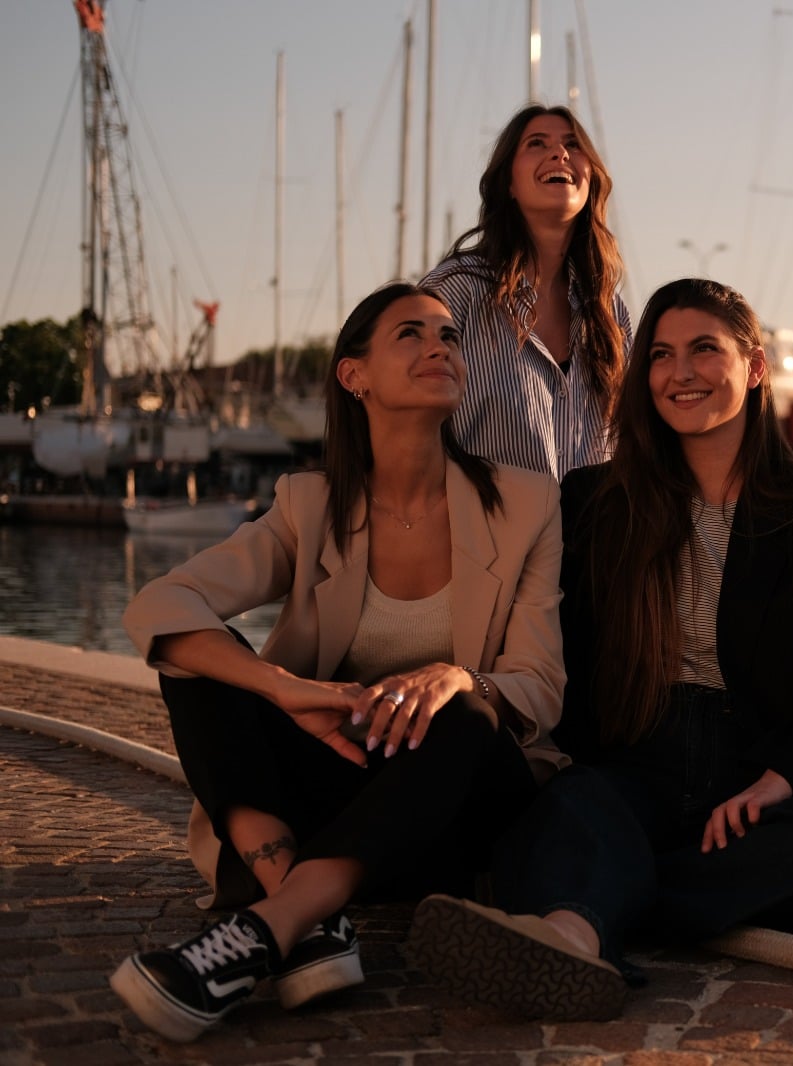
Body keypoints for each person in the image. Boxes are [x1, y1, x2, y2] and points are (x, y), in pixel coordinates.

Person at [406, 278, 793, 1020]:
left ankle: (614, 894)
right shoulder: (593, 499)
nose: (680, 372)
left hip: (753, 768)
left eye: (704, 350)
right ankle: (569, 941)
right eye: (661, 355)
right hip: (631, 756)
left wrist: (781, 779)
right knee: (574, 808)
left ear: (756, 366)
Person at [110, 283, 566, 1041]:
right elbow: (159, 607)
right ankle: (305, 909)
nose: (439, 347)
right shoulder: (307, 504)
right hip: (337, 793)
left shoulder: (524, 503)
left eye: (449, 337)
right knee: (199, 662)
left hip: (459, 804)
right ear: (353, 376)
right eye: (410, 335)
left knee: (462, 711)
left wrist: (460, 678)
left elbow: (540, 688)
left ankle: (262, 932)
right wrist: (284, 688)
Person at [421, 103, 631, 476]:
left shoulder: (611, 312)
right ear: (509, 185)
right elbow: (405, 418)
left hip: (594, 534)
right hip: (483, 532)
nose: (559, 153)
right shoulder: (457, 290)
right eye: (537, 143)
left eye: (572, 144)